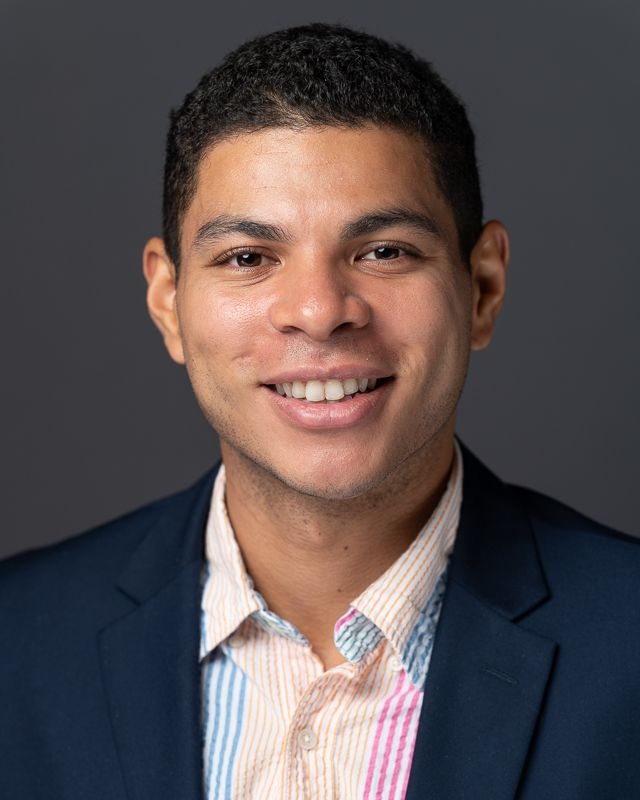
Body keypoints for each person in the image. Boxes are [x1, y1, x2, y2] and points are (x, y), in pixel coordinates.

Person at [1, 22, 639, 800]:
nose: (318, 310)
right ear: (168, 301)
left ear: (483, 287)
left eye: (384, 251)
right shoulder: (17, 642)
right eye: (247, 258)